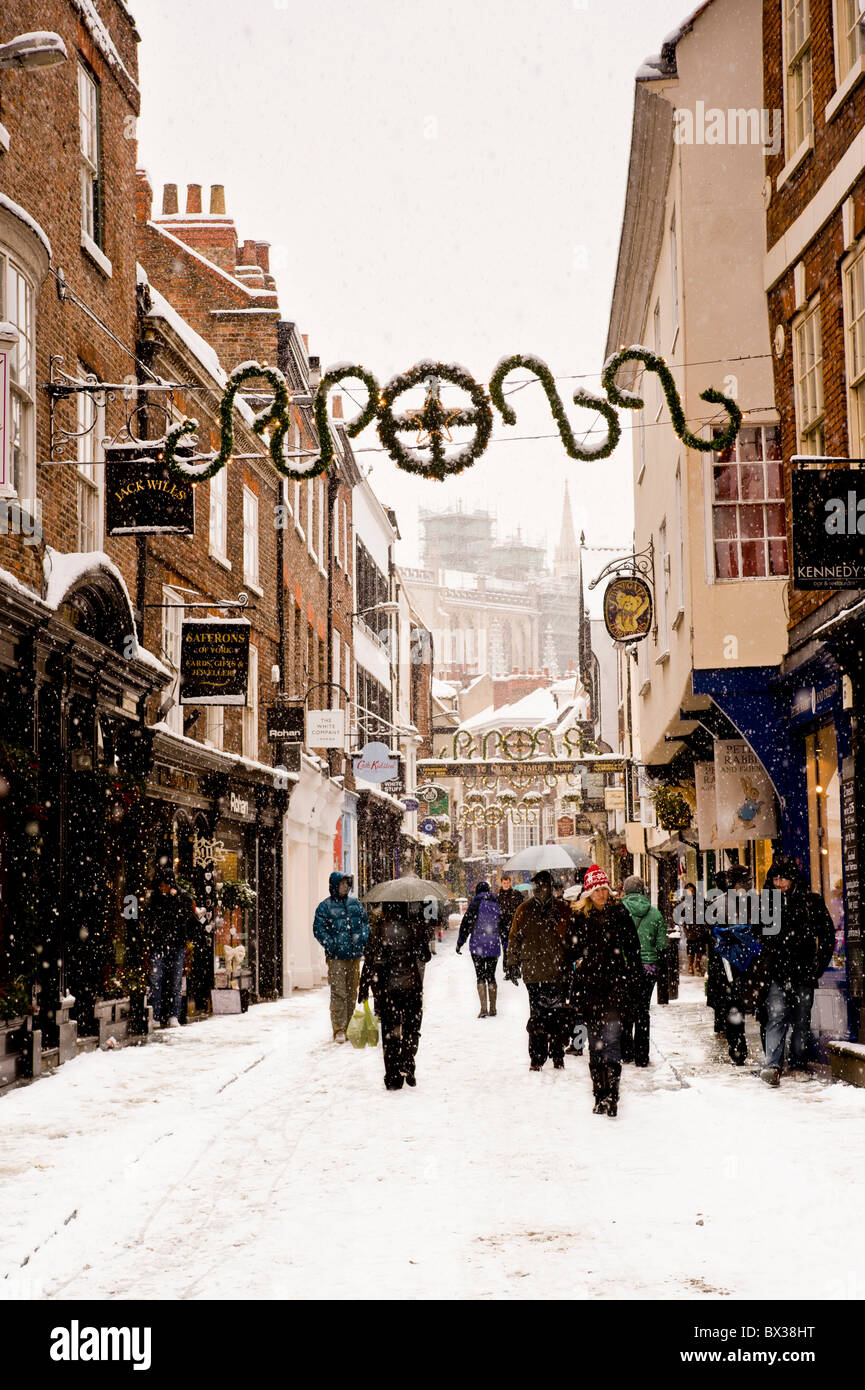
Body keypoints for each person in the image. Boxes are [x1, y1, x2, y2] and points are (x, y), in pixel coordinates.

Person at [571, 864, 643, 1116]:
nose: (601, 894)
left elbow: (633, 949)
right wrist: (577, 961)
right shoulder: (580, 917)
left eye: (604, 889)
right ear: (588, 892)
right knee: (595, 1043)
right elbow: (570, 950)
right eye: (596, 890)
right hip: (590, 989)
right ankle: (598, 1094)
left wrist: (633, 980)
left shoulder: (619, 913)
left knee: (611, 1041)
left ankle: (612, 1095)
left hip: (615, 985)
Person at [757, 855, 834, 1086]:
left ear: (793, 880)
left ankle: (799, 1063)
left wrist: (817, 966)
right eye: (776, 879)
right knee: (776, 1017)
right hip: (776, 973)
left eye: (784, 879)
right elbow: (756, 938)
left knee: (801, 1019)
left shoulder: (811, 902)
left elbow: (827, 935)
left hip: (803, 973)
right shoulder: (765, 904)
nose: (779, 884)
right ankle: (772, 1065)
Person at [358, 901, 430, 1090]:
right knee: (411, 1027)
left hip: (387, 988)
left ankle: (392, 1075)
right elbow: (425, 956)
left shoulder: (380, 929)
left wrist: (363, 986)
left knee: (390, 1031)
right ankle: (408, 1060)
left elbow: (370, 959)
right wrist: (422, 933)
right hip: (411, 986)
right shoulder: (414, 927)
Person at [507, 870, 573, 1071]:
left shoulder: (562, 909)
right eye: (536, 885)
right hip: (534, 972)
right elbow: (514, 937)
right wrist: (512, 963)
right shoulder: (524, 910)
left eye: (542, 885)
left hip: (557, 970)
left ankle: (557, 1053)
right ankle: (537, 1057)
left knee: (557, 1015)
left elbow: (572, 938)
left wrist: (558, 923)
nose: (539, 889)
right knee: (538, 1016)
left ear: (550, 887)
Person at [709, 863, 761, 1067]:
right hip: (729, 964)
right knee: (734, 1006)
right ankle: (738, 1048)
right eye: (742, 883)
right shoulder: (718, 904)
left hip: (752, 962)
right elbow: (712, 934)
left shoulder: (757, 903)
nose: (745, 887)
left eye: (747, 883)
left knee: (755, 1006)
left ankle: (743, 1046)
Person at [312, 872, 370, 1043]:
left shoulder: (355, 904)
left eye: (347, 884)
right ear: (335, 885)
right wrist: (332, 944)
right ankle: (339, 1028)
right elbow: (319, 929)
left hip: (354, 955)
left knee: (352, 991)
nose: (345, 887)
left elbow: (365, 923)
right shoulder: (325, 907)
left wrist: (362, 938)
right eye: (342, 884)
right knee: (338, 992)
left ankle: (350, 1025)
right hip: (336, 956)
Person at [619, 875, 667, 1067]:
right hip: (648, 968)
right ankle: (642, 1055)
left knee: (625, 1009)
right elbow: (662, 945)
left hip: (625, 967)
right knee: (642, 1011)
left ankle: (626, 1052)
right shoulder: (655, 914)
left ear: (625, 891)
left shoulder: (619, 912)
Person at [147, 866, 199, 1028]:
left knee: (175, 981)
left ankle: (173, 1015)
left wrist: (174, 899)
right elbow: (152, 916)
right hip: (159, 943)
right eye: (160, 884)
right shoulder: (155, 898)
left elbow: (185, 915)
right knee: (156, 979)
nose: (161, 887)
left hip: (176, 944)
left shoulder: (182, 896)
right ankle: (154, 1015)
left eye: (163, 884)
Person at [456, 882, 506, 1017]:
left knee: (480, 975)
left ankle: (483, 1008)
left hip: (477, 946)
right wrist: (506, 944)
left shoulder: (474, 904)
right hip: (493, 945)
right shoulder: (496, 905)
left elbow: (465, 924)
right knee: (491, 975)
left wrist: (460, 942)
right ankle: (493, 1008)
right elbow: (503, 926)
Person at [496, 875, 523, 979]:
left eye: (508, 883)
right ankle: (508, 971)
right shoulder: (498, 897)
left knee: (516, 948)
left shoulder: (516, 894)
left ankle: (516, 969)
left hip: (515, 926)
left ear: (510, 882)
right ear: (501, 883)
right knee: (506, 949)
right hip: (503, 927)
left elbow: (521, 909)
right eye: (504, 883)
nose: (506, 885)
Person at [682, 883, 705, 974]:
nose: (690, 893)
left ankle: (697, 963)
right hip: (689, 927)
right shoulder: (684, 901)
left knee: (699, 946)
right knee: (691, 946)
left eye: (692, 891)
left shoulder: (699, 900)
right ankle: (690, 965)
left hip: (699, 925)